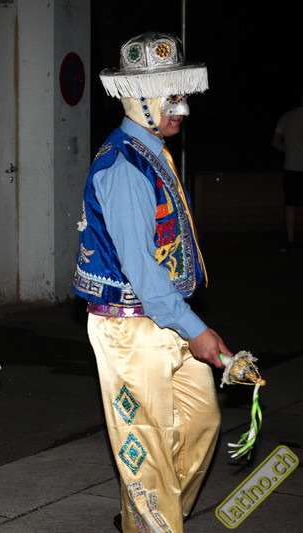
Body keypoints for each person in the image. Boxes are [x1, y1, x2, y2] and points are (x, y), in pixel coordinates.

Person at [71, 33, 232, 532]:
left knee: (201, 422)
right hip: (129, 328)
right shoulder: (124, 165)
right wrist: (197, 329)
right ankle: (152, 523)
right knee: (147, 443)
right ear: (142, 100)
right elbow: (140, 268)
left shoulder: (152, 150)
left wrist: (189, 326)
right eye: (172, 96)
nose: (182, 108)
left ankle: (144, 520)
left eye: (182, 95)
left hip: (166, 316)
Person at [271, 90, 303, 251]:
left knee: (291, 204)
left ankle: (291, 240)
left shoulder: (287, 117)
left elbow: (275, 142)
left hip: (292, 166)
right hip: (293, 166)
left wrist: (290, 150)